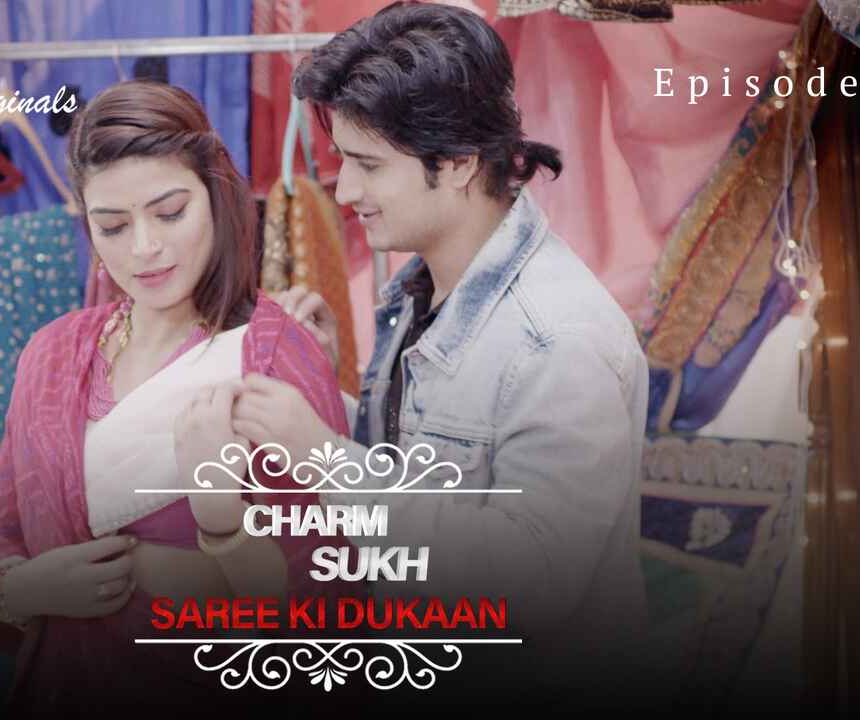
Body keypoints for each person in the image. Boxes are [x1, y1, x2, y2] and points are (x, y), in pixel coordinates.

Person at [232, 1, 652, 708]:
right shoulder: (424, 292)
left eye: (368, 165)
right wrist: (323, 397)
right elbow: (425, 476)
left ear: (458, 163)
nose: (347, 190)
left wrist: (324, 458)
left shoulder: (557, 340)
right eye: (344, 160)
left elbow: (531, 586)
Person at [0, 81, 353, 714]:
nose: (143, 248)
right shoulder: (52, 355)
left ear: (216, 196)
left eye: (169, 213)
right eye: (112, 226)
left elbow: (331, 603)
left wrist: (221, 527)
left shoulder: (274, 354)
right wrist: (23, 590)